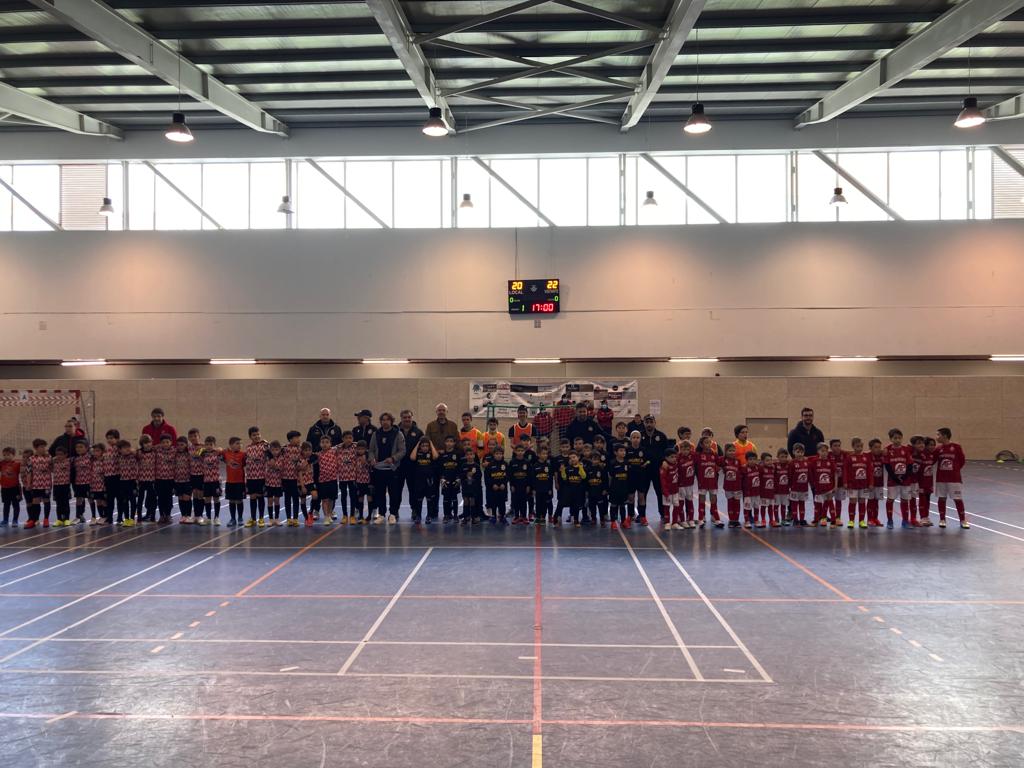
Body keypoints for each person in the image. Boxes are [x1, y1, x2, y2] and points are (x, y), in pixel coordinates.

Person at [368, 412, 405, 524]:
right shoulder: (376, 434)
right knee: (380, 493)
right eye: (383, 420)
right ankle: (382, 514)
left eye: (387, 419)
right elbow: (371, 450)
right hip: (379, 470)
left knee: (394, 493)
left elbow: (402, 451)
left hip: (392, 469)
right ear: (380, 421)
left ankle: (392, 514)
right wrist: (372, 459)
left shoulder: (398, 434)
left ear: (391, 421)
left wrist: (393, 458)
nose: (385, 422)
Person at [935, 427, 968, 529]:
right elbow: (932, 460)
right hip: (941, 478)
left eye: (938, 435)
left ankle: (962, 520)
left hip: (954, 479)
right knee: (942, 498)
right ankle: (942, 519)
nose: (937, 437)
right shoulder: (938, 449)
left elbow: (962, 461)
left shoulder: (956, 447)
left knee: (957, 499)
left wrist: (955, 470)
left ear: (945, 435)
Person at [641, 415, 670, 513]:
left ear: (654, 423)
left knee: (659, 491)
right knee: (643, 492)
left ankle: (662, 513)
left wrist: (664, 461)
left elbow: (666, 451)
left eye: (651, 422)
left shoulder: (661, 436)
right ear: (644, 423)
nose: (649, 424)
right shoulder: (640, 435)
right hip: (644, 469)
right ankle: (641, 515)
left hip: (658, 468)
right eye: (647, 422)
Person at [398, 409, 425, 510]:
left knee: (413, 490)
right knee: (396, 490)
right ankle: (395, 512)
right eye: (404, 417)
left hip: (413, 466)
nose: (407, 419)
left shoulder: (418, 432)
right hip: (398, 466)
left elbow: (422, 448)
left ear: (412, 418)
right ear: (401, 418)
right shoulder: (395, 431)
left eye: (409, 417)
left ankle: (415, 510)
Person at [245, 426, 269, 526]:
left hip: (261, 477)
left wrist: (267, 444)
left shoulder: (264, 446)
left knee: (260, 497)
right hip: (251, 477)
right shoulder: (248, 448)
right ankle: (253, 519)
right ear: (250, 437)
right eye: (254, 435)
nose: (257, 436)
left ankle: (261, 518)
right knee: (252, 497)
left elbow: (271, 453)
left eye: (258, 434)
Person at [222, 437, 246, 526]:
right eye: (237, 443)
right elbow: (218, 451)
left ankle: (240, 518)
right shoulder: (226, 453)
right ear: (231, 445)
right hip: (230, 482)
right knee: (231, 501)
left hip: (239, 481)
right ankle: (232, 518)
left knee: (239, 500)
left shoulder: (243, 454)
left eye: (240, 443)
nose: (240, 445)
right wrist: (223, 450)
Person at [1, 446, 22, 527]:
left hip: (15, 488)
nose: (6, 457)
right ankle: (5, 520)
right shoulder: (1, 463)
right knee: (6, 505)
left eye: (8, 455)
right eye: (4, 455)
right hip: (4, 488)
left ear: (13, 455)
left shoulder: (17, 464)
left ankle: (15, 520)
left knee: (15, 504)